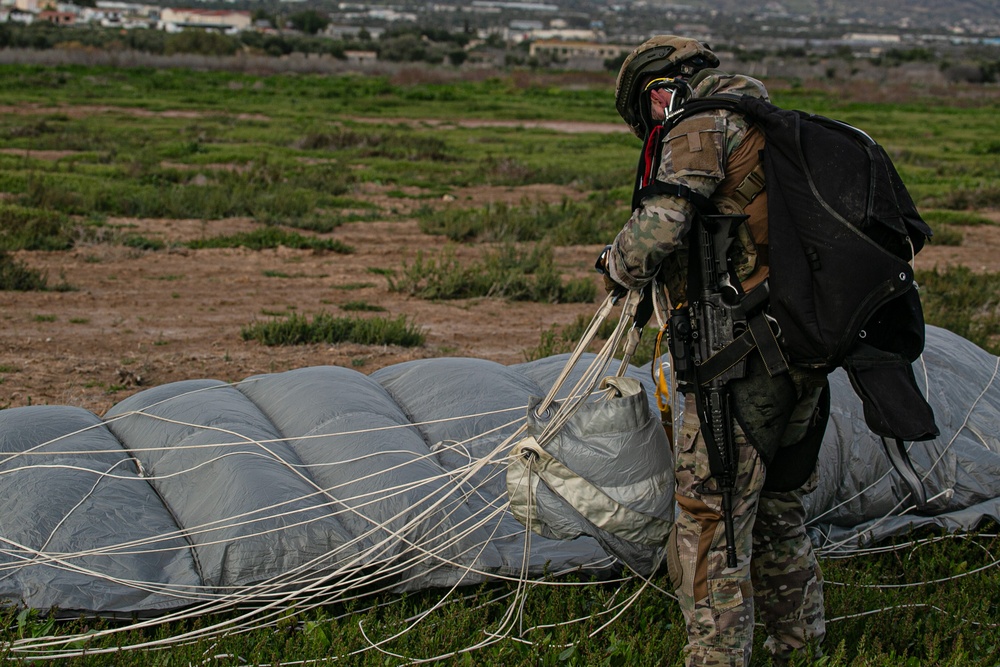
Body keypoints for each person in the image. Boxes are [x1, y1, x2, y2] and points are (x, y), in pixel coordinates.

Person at [599, 36, 829, 667]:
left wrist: (616, 265)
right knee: (780, 509)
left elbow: (660, 228)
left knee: (711, 518)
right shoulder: (769, 125)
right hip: (803, 349)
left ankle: (717, 657)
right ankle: (799, 647)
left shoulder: (701, 127)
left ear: (660, 91)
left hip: (738, 359)